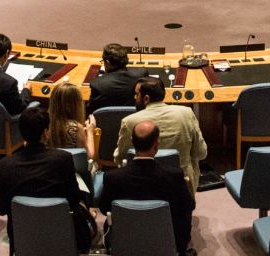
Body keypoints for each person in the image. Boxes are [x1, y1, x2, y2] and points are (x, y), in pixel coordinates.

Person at [0, 106, 95, 252]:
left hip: (22, 239)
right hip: (60, 235)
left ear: (21, 133)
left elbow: (0, 209)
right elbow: (73, 201)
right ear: (46, 133)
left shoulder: (5, 165)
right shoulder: (62, 159)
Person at [99, 120, 195, 256]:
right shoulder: (174, 176)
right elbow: (189, 206)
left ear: (133, 143)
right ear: (156, 146)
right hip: (167, 243)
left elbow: (104, 208)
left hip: (123, 242)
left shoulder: (112, 177)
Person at [116, 77, 207, 194]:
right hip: (182, 187)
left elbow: (120, 158)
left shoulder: (129, 122)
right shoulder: (187, 113)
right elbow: (201, 153)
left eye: (137, 94)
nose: (134, 97)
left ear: (146, 98)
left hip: (142, 187)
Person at [88, 43, 146, 112]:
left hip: (107, 121)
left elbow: (91, 111)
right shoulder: (142, 73)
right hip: (136, 120)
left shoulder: (97, 84)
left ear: (107, 62)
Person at [46, 82, 96, 159]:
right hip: (71, 169)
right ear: (74, 105)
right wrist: (90, 131)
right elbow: (89, 156)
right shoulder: (76, 128)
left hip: (50, 167)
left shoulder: (46, 125)